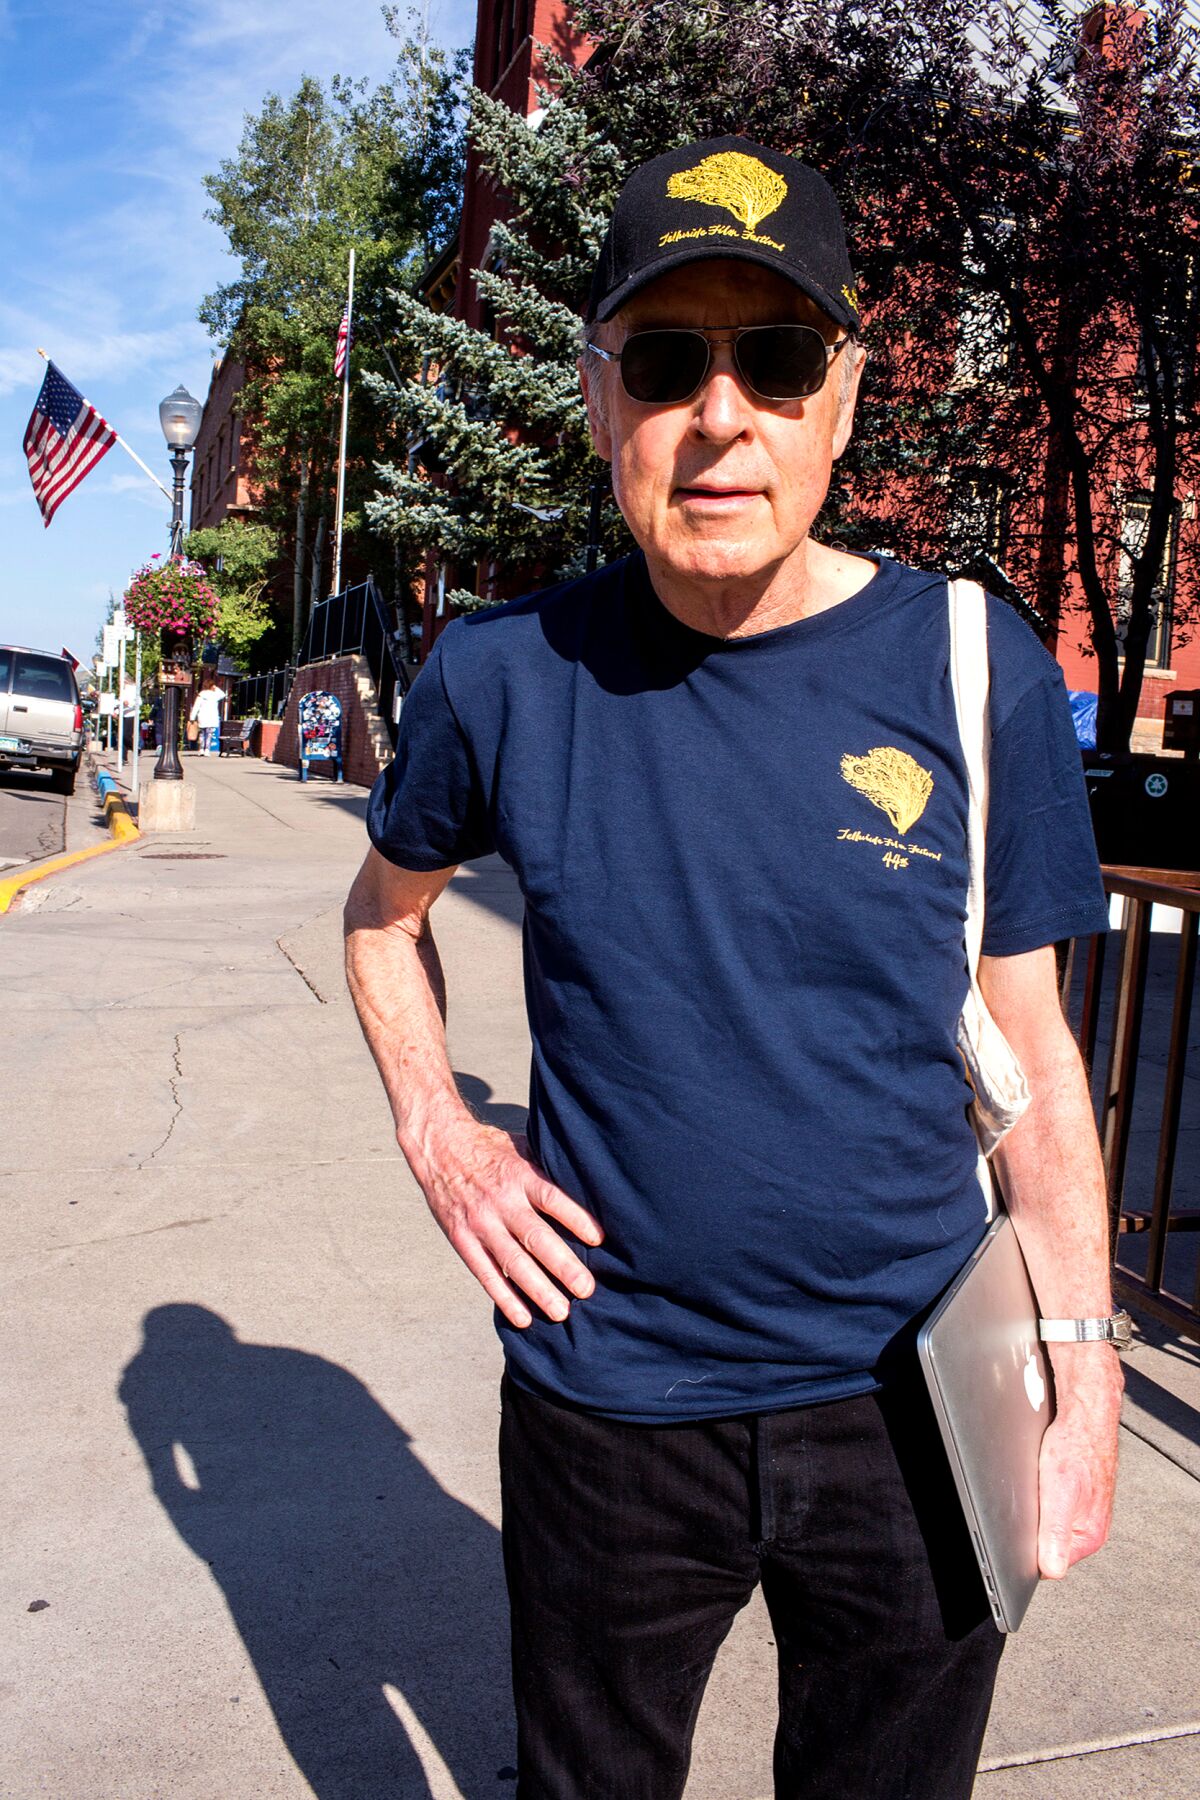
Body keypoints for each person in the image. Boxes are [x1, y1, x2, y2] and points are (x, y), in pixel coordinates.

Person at [345, 138, 1122, 1799]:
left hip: (926, 1396)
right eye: (668, 358)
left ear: (841, 393)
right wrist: (444, 1132)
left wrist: (1084, 1362)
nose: (721, 414)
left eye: (774, 359)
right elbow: (381, 919)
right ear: (599, 393)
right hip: (609, 1404)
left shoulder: (978, 667)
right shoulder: (502, 679)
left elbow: (1036, 1051)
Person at [189, 674, 225, 756]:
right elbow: (223, 694)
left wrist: (192, 717)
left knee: (202, 733)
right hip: (212, 717)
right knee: (209, 734)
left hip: (202, 717)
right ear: (212, 686)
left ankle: (201, 749)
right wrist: (216, 688)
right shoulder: (215, 695)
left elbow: (196, 707)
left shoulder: (201, 695)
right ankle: (207, 750)